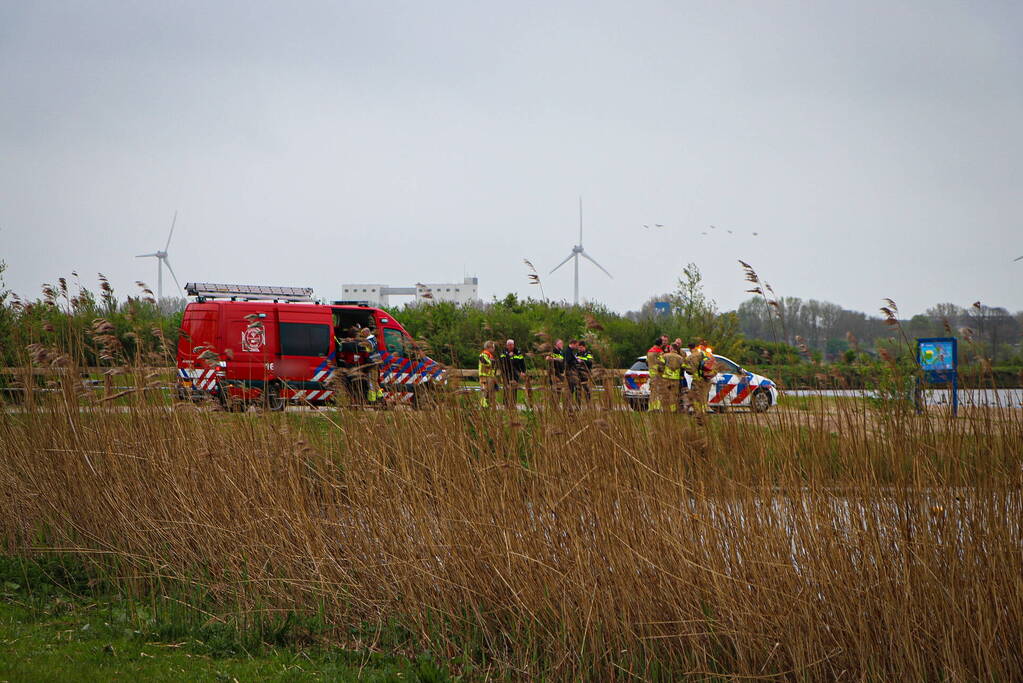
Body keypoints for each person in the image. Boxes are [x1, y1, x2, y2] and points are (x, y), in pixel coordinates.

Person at [499, 338, 529, 409]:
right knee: (507, 388)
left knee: (514, 388)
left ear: (514, 345)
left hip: (516, 373)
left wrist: (523, 371)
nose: (510, 346)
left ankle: (513, 404)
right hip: (506, 373)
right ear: (507, 345)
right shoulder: (503, 352)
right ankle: (506, 404)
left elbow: (522, 362)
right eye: (509, 345)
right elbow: (502, 361)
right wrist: (508, 356)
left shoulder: (518, 352)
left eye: (512, 345)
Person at [661, 343, 686, 413]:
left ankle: (665, 410)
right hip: (675, 379)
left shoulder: (665, 356)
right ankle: (673, 410)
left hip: (666, 378)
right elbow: (684, 367)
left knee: (665, 395)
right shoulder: (680, 358)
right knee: (674, 395)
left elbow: (660, 365)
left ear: (671, 348)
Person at [645, 336, 666, 411]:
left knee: (653, 391)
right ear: (661, 344)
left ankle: (651, 408)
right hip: (658, 374)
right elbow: (662, 362)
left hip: (652, 374)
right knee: (658, 391)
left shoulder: (649, 351)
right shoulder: (659, 351)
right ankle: (657, 407)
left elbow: (647, 362)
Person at [478, 340, 498, 408]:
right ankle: (483, 406)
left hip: (489, 376)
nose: (494, 349)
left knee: (490, 392)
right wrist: (493, 362)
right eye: (493, 348)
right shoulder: (483, 355)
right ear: (488, 347)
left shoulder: (489, 355)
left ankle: (488, 405)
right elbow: (488, 363)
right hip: (484, 376)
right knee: (484, 391)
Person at [546, 339, 566, 406]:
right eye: (561, 343)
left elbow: (562, 360)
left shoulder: (560, 352)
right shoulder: (553, 351)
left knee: (559, 390)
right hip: (555, 374)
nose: (562, 345)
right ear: (557, 344)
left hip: (560, 374)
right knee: (555, 390)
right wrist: (556, 359)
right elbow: (547, 358)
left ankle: (556, 405)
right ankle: (554, 406)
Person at [564, 340, 581, 406]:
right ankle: (569, 405)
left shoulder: (570, 351)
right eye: (576, 345)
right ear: (572, 344)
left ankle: (570, 405)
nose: (576, 347)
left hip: (572, 372)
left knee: (572, 389)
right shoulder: (568, 351)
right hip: (570, 372)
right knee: (572, 388)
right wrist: (576, 361)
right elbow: (568, 361)